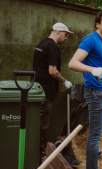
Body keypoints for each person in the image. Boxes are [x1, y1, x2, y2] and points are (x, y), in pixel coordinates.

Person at [68, 11, 102, 169]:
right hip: (94, 93)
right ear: (97, 24)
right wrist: (92, 70)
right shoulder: (90, 39)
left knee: (97, 134)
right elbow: (73, 63)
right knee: (95, 135)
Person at [33, 22, 73, 157]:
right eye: (66, 35)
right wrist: (64, 81)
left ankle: (36, 152)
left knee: (37, 122)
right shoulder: (53, 47)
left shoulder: (41, 44)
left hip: (37, 88)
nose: (66, 38)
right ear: (59, 32)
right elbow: (52, 71)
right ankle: (39, 154)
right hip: (45, 90)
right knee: (43, 124)